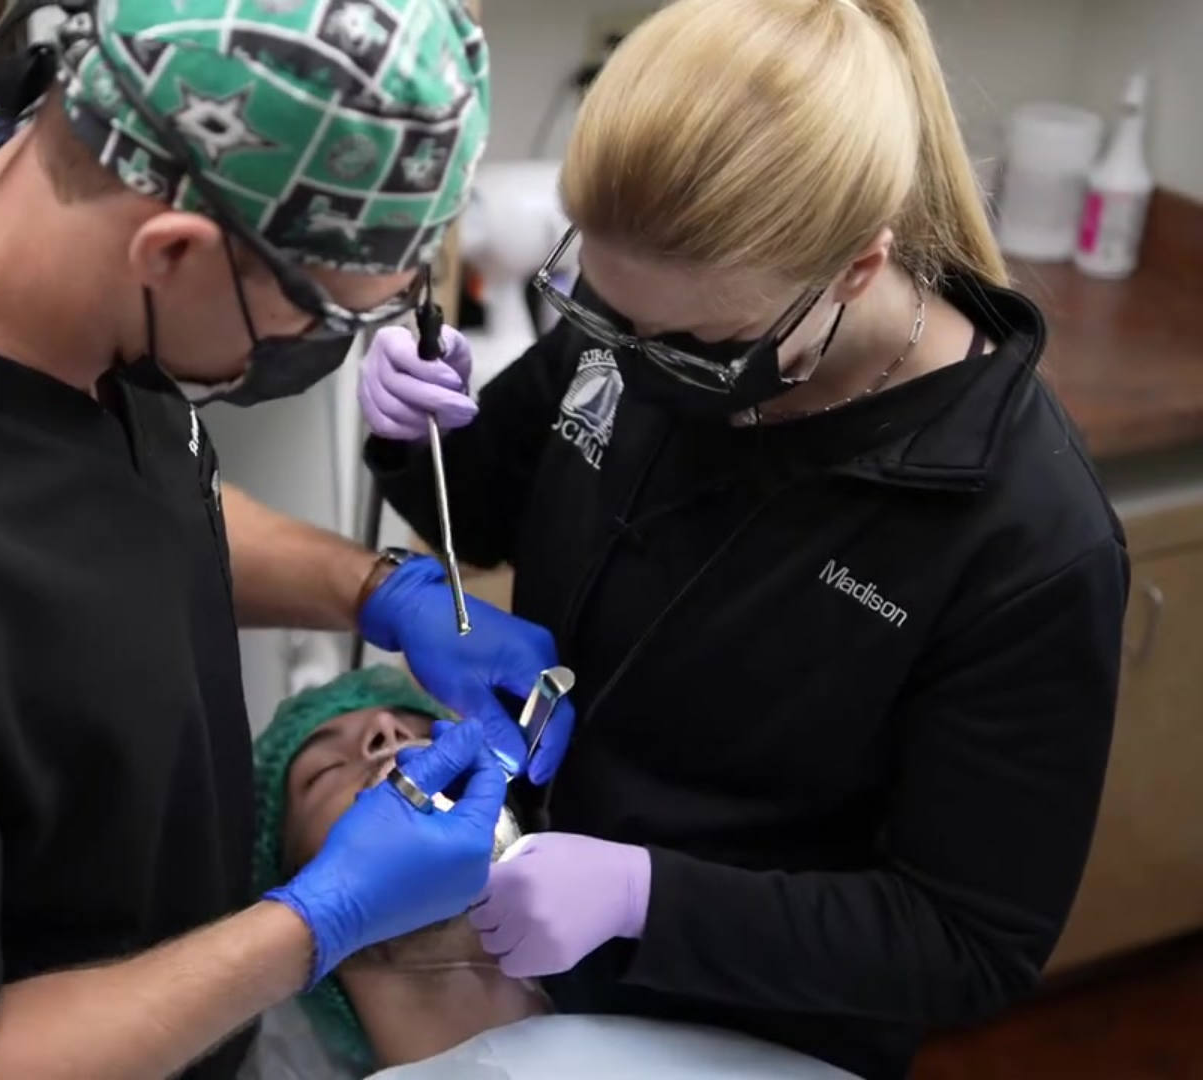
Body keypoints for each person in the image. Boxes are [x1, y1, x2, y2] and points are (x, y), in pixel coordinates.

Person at [0, 3, 561, 1078]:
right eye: (326, 319)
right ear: (171, 251)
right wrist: (316, 923)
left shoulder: (44, 252)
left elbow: (115, 509)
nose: (319, 349)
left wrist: (374, 589)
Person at [353, 0, 1131, 1077]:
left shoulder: (1021, 538)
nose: (632, 362)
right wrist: (416, 435)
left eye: (697, 343)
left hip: (754, 1032)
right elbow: (484, 513)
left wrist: (648, 898)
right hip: (523, 938)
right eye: (604, 309)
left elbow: (967, 942)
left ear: (856, 268)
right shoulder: (645, 331)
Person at [245, 667, 858, 1080]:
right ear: (298, 886)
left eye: (416, 726)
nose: (388, 730)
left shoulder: (705, 1039)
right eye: (322, 773)